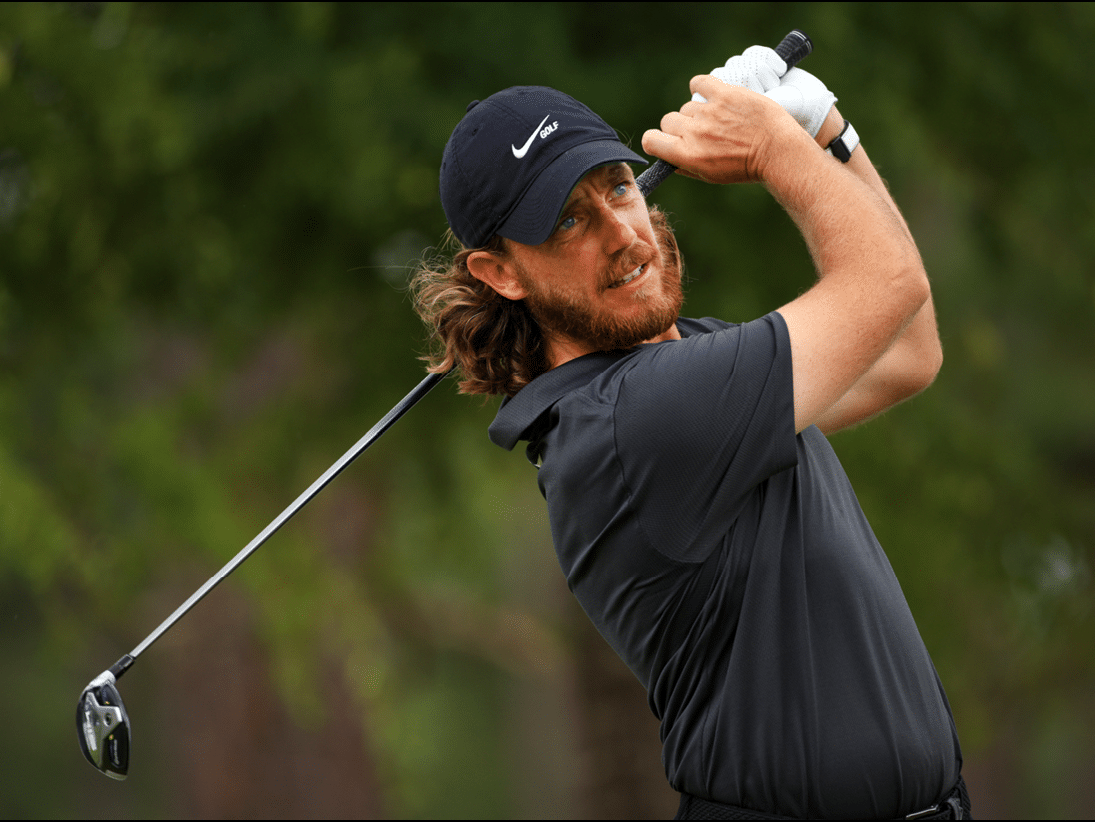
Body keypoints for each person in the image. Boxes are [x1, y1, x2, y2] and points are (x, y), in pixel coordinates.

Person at [414, 45, 969, 821]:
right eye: (568, 219)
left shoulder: (683, 369)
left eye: (615, 186)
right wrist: (782, 146)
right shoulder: (633, 421)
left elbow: (909, 349)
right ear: (502, 273)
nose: (619, 231)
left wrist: (827, 135)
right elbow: (890, 283)